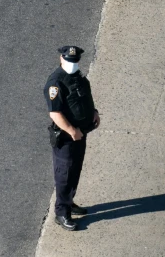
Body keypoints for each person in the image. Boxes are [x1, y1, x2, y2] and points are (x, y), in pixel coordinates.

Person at [44, 46, 100, 231]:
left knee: (75, 171)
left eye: (75, 62)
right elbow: (55, 113)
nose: (72, 65)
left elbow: (84, 98)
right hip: (67, 138)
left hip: (80, 133)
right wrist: (71, 130)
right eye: (69, 61)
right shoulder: (55, 83)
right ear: (61, 58)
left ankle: (68, 201)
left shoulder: (77, 76)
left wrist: (94, 112)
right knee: (64, 175)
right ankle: (62, 212)